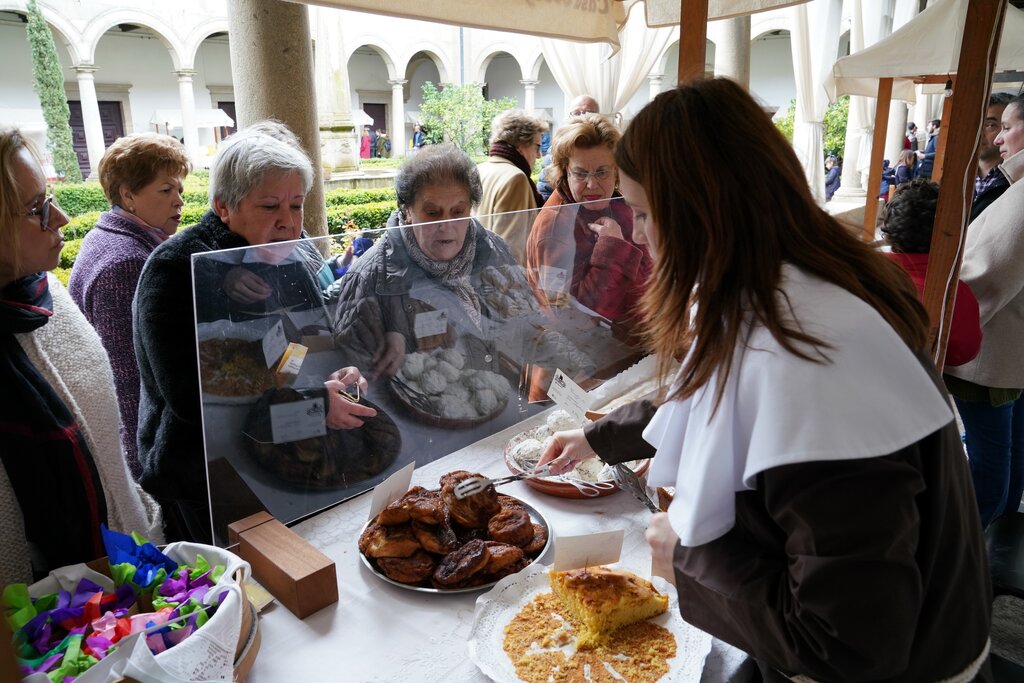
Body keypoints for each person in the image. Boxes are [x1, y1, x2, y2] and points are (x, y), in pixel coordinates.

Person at [538, 79, 991, 681]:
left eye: (645, 213)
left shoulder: (813, 365)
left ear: (703, 213)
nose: (639, 233)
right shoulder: (785, 290)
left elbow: (847, 643)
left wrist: (688, 558)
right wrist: (601, 437)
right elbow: (712, 392)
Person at [134, 125, 375, 542]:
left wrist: (336, 377)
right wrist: (316, 405)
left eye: (296, 205)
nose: (288, 223)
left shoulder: (290, 255)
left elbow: (305, 344)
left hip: (285, 450)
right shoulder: (174, 269)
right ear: (223, 207)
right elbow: (192, 402)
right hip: (207, 478)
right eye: (269, 206)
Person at [0, 128, 163, 586]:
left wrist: (146, 534)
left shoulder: (46, 294)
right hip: (29, 628)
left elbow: (107, 447)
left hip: (122, 571)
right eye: (35, 209)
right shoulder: (121, 264)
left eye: (48, 197)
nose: (61, 217)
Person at [333, 144, 521, 380]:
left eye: (457, 211)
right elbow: (364, 387)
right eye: (432, 213)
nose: (445, 225)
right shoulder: (369, 278)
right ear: (407, 210)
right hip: (423, 413)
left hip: (507, 402)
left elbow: (526, 325)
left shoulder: (494, 249)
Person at [68, 133, 190, 480]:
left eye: (179, 189)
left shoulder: (112, 237)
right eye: (166, 191)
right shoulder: (126, 264)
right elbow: (128, 381)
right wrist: (145, 473)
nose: (179, 201)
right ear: (128, 195)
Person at [945, 93, 1024, 529]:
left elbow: (985, 280)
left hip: (991, 355)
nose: (1000, 138)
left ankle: (972, 540)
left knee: (990, 458)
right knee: (1008, 450)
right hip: (1009, 349)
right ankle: (1000, 538)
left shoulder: (1020, 196)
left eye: (1007, 126)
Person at [526, 113, 651, 325]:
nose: (592, 185)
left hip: (640, 347)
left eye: (602, 172)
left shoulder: (619, 202)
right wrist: (613, 247)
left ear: (616, 171)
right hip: (600, 354)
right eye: (581, 174)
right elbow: (571, 318)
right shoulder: (555, 227)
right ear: (566, 171)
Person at [880, 179, 981, 367]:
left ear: (888, 229)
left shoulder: (865, 274)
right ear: (951, 234)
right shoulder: (956, 293)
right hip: (915, 387)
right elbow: (965, 353)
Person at [475, 109, 548, 263]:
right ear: (521, 145)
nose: (539, 155)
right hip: (502, 280)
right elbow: (510, 250)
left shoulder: (479, 169)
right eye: (537, 146)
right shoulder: (516, 178)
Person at [538, 95, 600, 202]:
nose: (581, 117)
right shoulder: (556, 149)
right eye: (576, 113)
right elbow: (545, 190)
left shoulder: (608, 148)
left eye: (588, 113)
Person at [971, 92, 1015, 223]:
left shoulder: (1015, 180)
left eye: (990, 125)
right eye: (976, 123)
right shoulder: (958, 175)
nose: (979, 132)